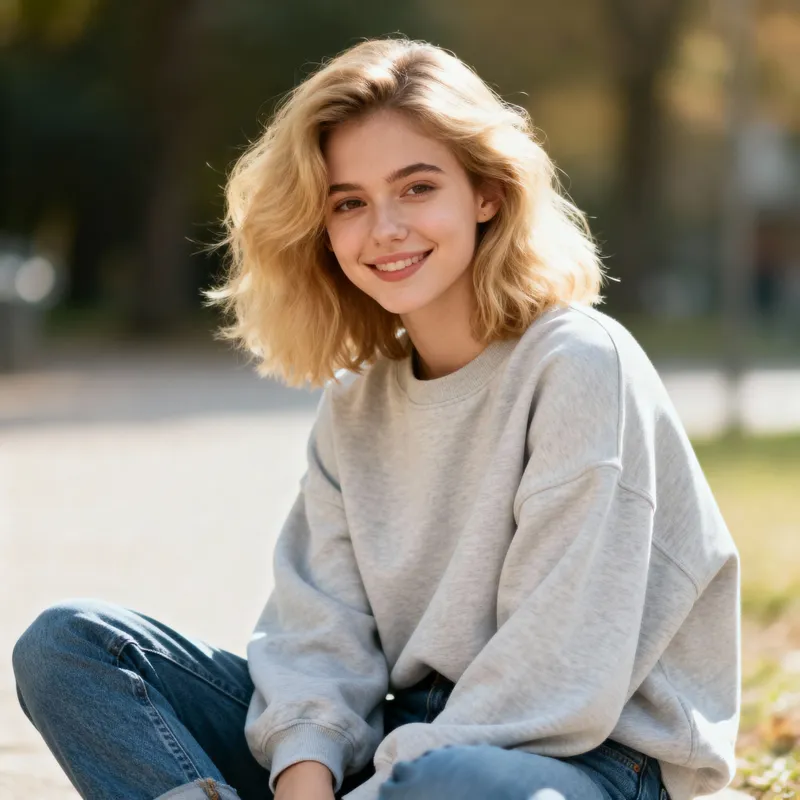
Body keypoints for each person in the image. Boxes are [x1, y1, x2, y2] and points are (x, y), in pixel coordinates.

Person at [12, 37, 740, 800]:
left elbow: (555, 676)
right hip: (401, 744)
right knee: (72, 648)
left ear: (486, 192)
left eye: (417, 187)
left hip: (579, 757)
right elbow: (317, 634)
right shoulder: (358, 399)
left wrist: (384, 785)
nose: (384, 229)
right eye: (349, 203)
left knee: (446, 781)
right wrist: (307, 777)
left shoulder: (579, 363)